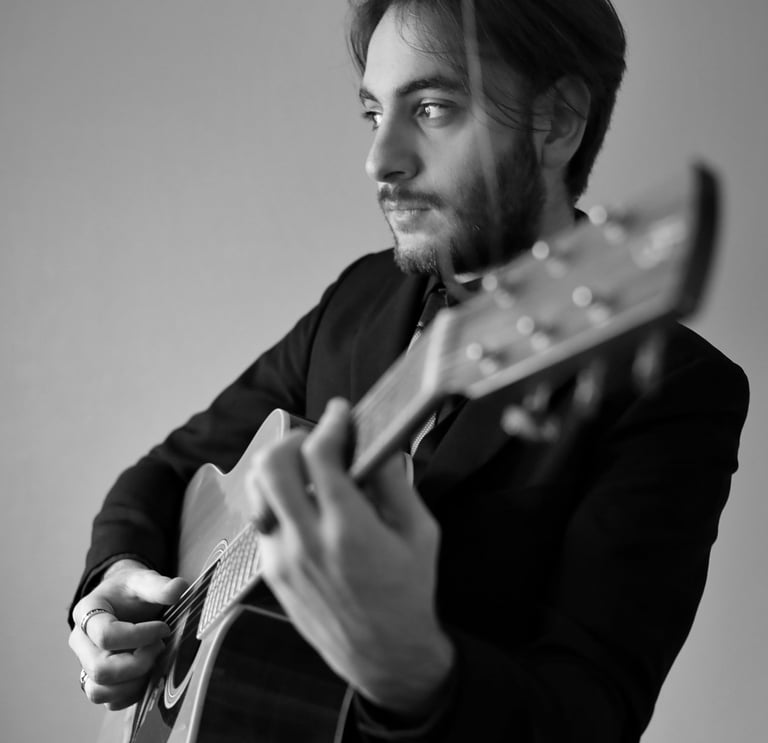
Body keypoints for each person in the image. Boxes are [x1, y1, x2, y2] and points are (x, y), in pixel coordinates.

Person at [68, 1, 749, 741]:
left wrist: (408, 667)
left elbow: (588, 716)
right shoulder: (360, 299)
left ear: (556, 123)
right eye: (372, 114)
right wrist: (112, 589)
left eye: (431, 108)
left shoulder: (672, 390)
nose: (379, 159)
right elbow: (168, 471)